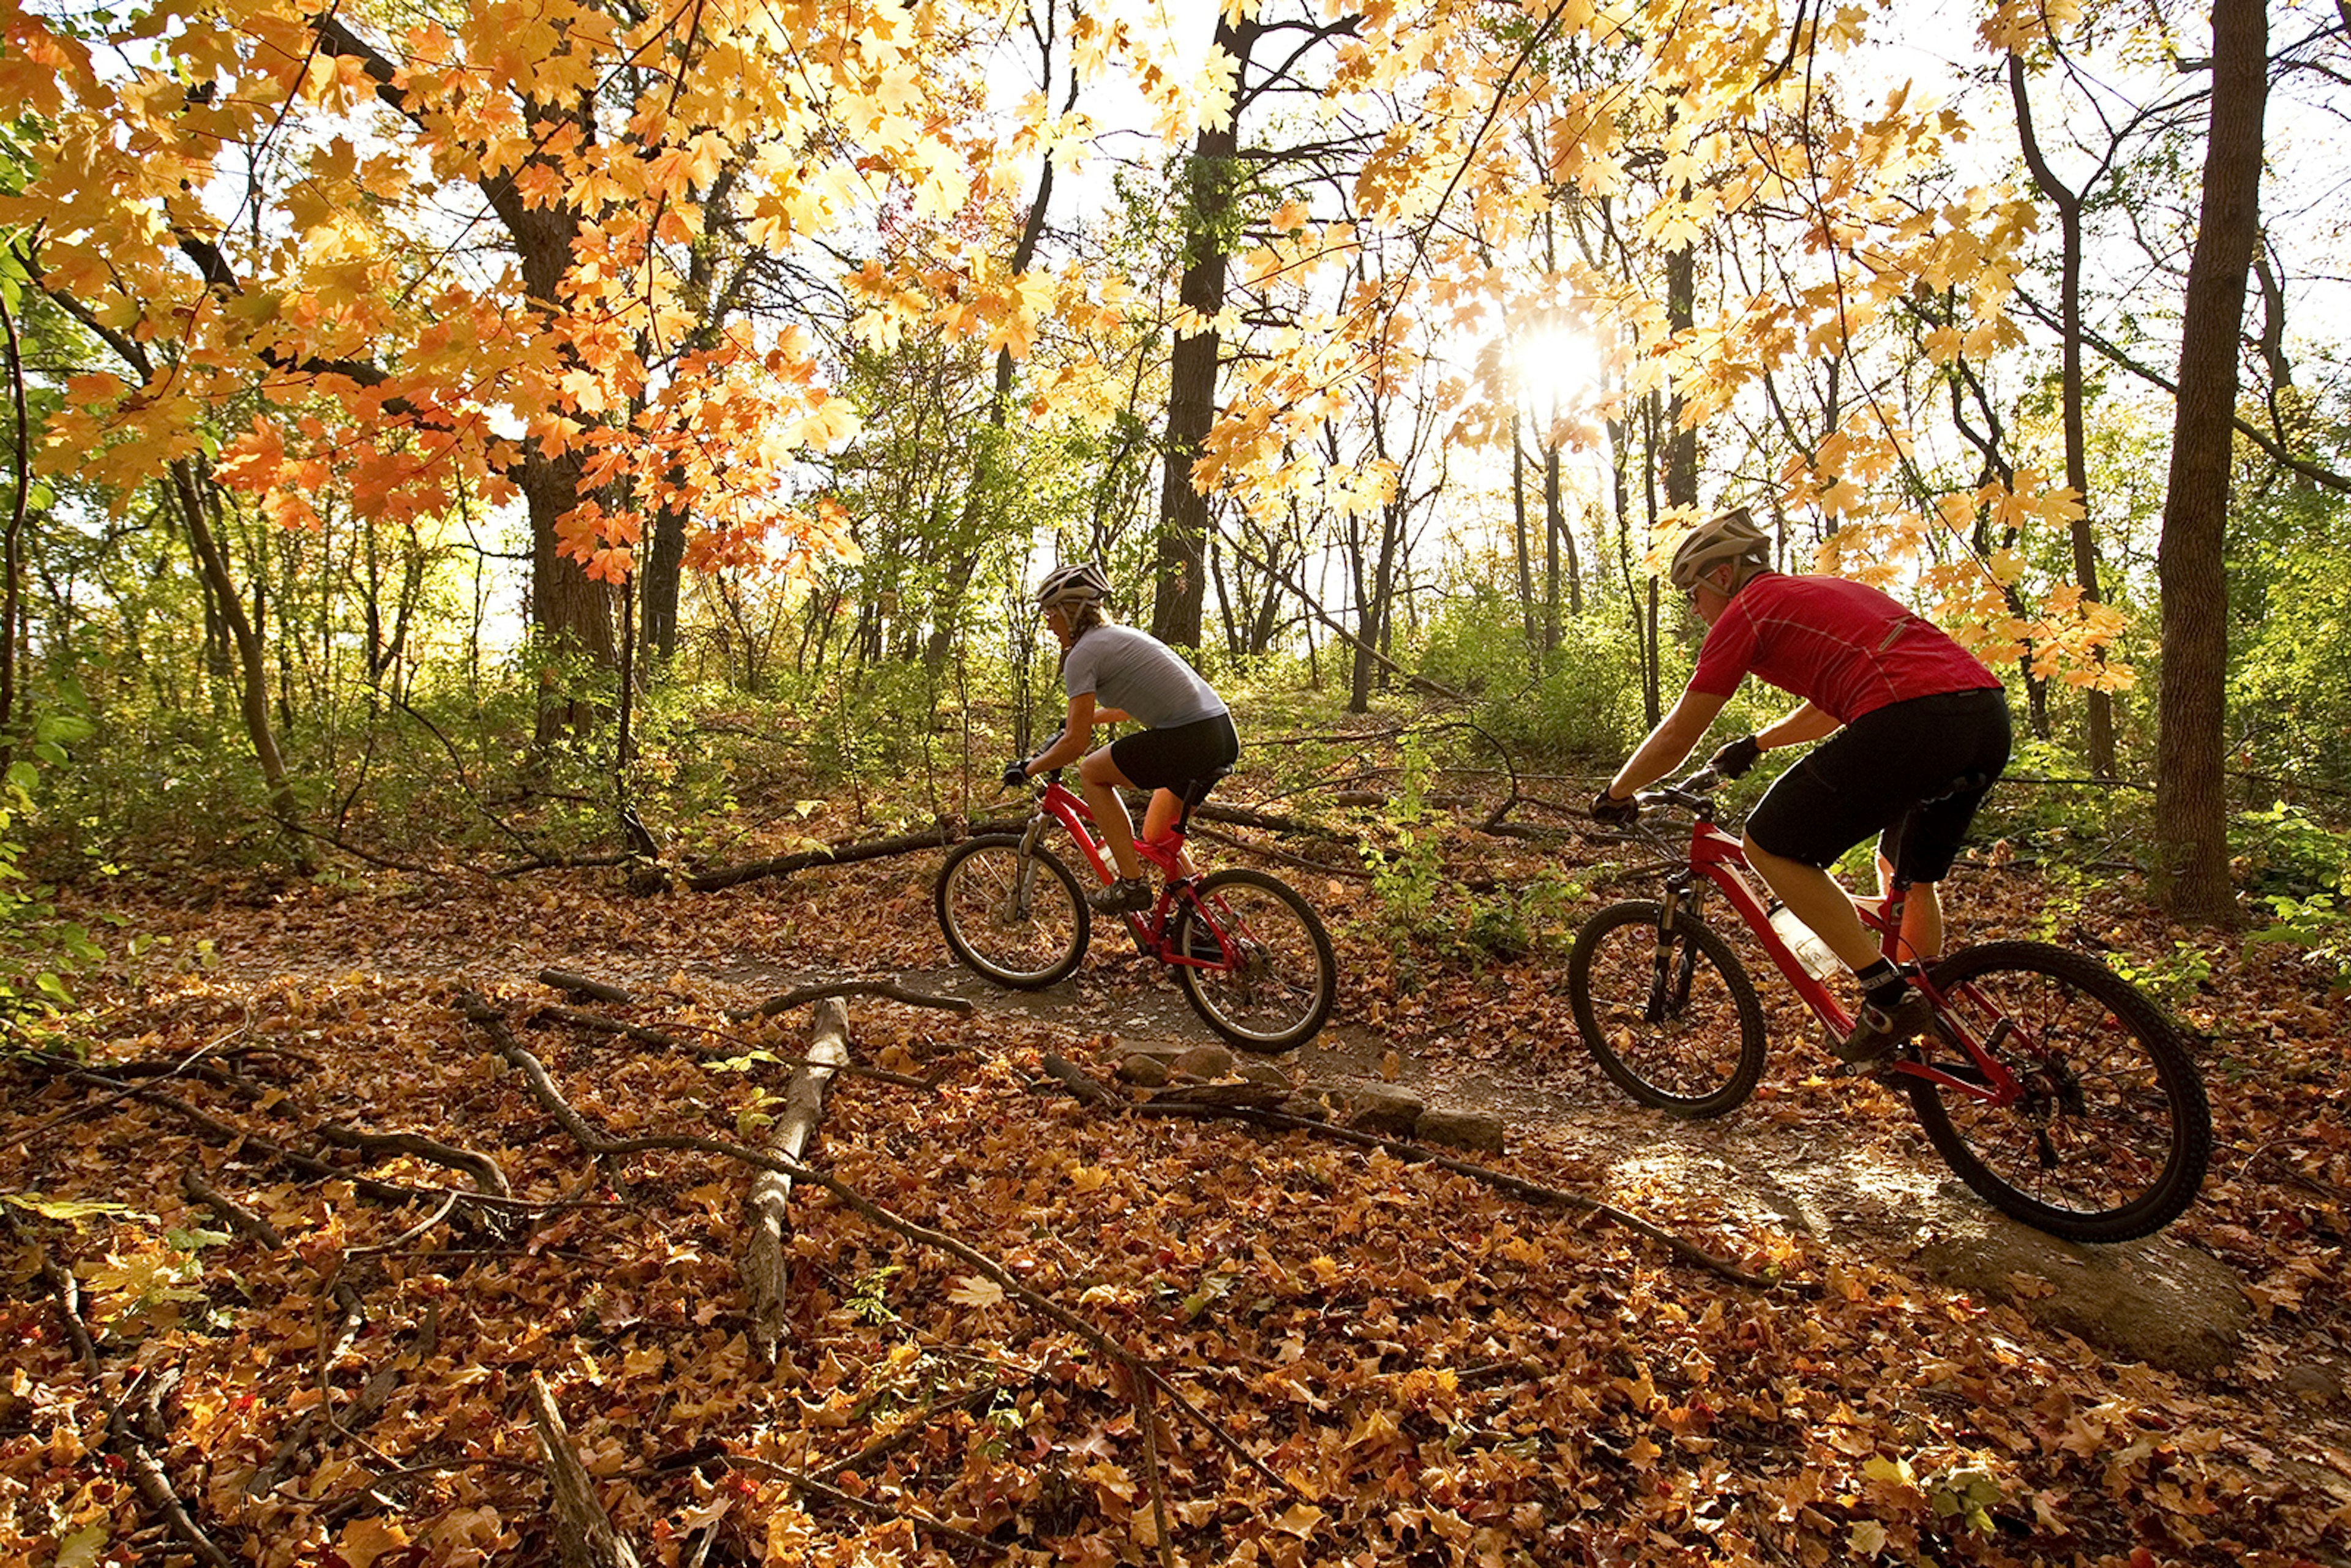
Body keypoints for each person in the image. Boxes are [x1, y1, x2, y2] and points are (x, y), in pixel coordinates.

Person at [1592, 508, 2012, 1064]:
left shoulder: (1748, 609)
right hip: (1984, 716)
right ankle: (1929, 998)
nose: (1694, 609)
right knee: (1905, 875)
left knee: (1768, 843)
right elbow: (1834, 705)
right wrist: (1756, 744)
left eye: (1693, 593)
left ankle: (1886, 997)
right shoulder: (1825, 591)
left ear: (1723, 576)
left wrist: (1616, 793)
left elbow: (1677, 735)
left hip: (1912, 720)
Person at [1005, 562, 1240, 915]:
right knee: (1158, 835)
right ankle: (1203, 925)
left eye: (1051, 613)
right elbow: (1131, 707)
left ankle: (1130, 885)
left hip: (1190, 736)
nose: (1047, 623)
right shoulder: (1120, 637)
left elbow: (1075, 744)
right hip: (1219, 732)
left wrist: (1029, 768)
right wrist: (1082, 719)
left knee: (1091, 771)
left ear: (1072, 613)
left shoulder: (1083, 654)